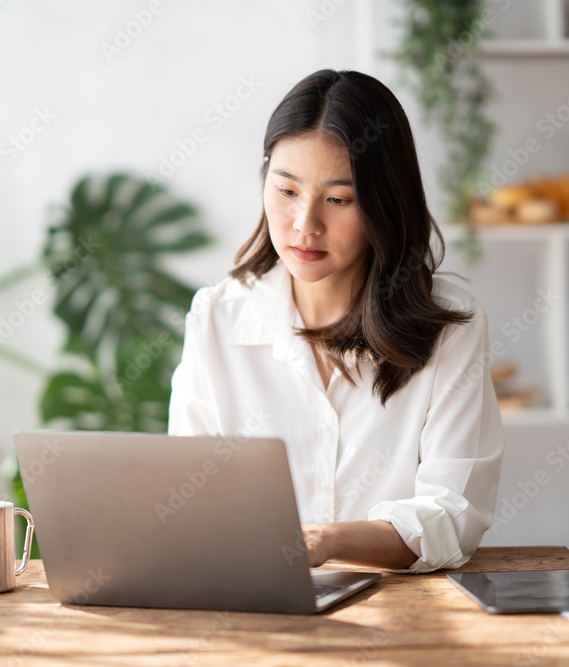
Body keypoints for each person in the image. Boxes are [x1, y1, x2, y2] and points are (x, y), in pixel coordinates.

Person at [168, 69, 504, 573]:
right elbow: (189, 497)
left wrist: (326, 541)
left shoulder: (449, 326)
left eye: (338, 200)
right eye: (285, 191)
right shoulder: (217, 317)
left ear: (384, 201)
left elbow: (450, 515)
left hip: (404, 619)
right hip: (255, 611)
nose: (305, 224)